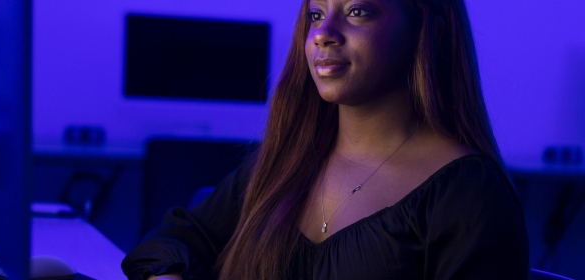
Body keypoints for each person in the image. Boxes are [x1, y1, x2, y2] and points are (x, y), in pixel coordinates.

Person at [122, 0, 530, 279]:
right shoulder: (285, 161)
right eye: (316, 15)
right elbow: (177, 236)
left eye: (357, 11)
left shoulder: (469, 193)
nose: (324, 35)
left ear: (429, 30)